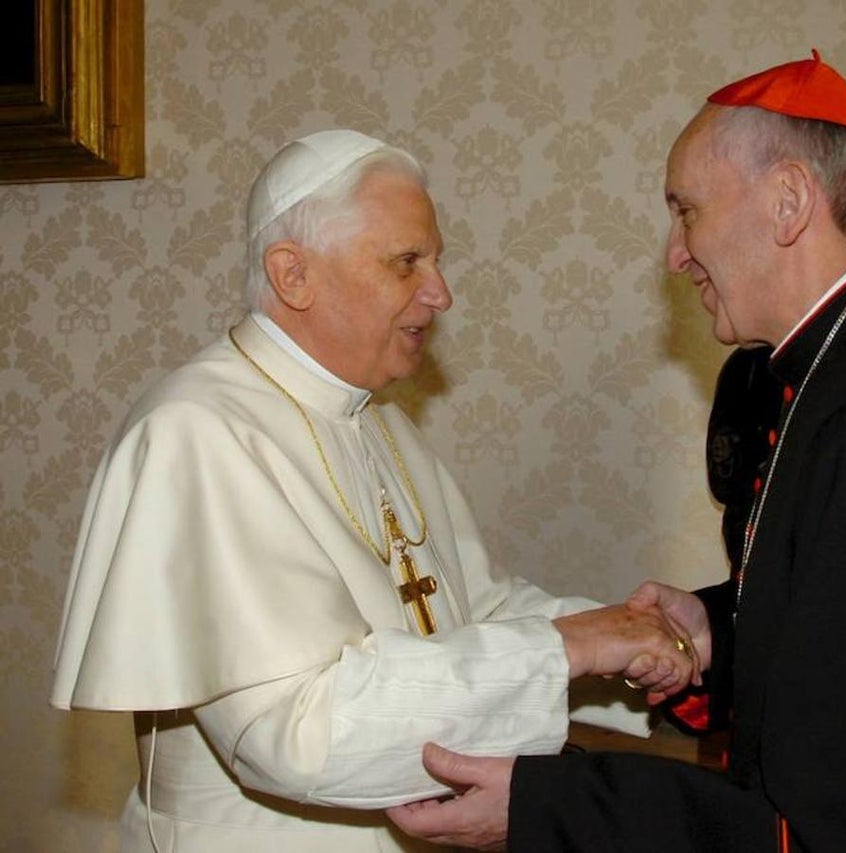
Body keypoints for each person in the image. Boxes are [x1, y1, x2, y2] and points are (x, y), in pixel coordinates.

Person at [385, 51, 846, 851]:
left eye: (686, 210)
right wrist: (718, 627)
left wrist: (547, 803)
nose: (673, 252)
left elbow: (843, 827)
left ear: (789, 202)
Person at [49, 129, 699, 853]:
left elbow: (475, 612)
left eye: (437, 260)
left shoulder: (374, 419)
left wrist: (640, 645)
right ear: (294, 274)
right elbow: (297, 731)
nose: (441, 292)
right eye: (406, 263)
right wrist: (564, 648)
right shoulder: (195, 432)